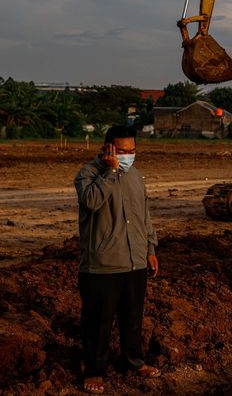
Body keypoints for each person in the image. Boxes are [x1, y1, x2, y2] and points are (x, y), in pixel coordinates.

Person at [74, 125, 160, 394]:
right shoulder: (88, 174)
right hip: (103, 264)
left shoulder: (135, 176)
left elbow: (144, 215)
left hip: (135, 261)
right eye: (122, 151)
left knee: (132, 318)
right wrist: (110, 171)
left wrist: (150, 249)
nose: (128, 156)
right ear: (107, 149)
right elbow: (92, 202)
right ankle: (95, 370)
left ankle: (133, 361)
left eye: (132, 150)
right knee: (98, 322)